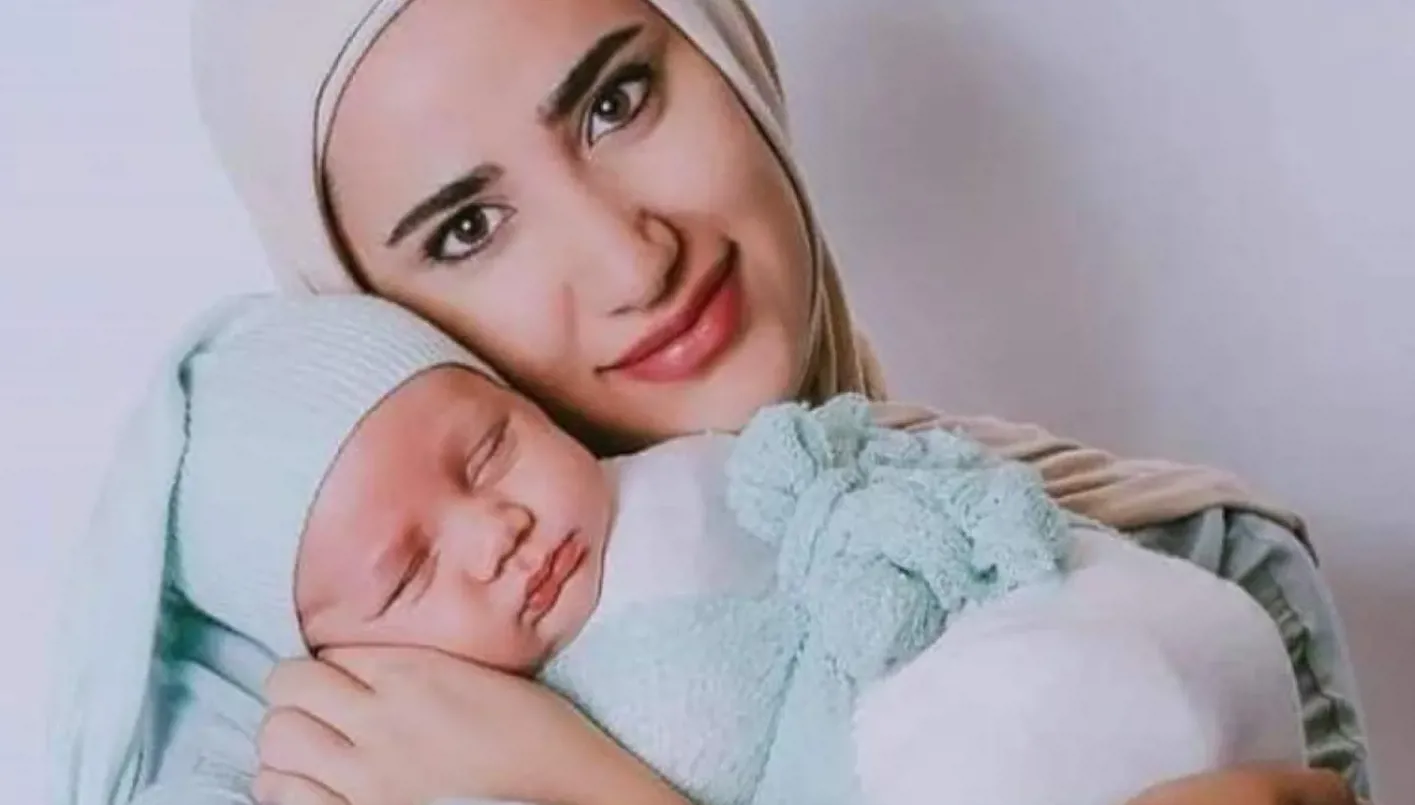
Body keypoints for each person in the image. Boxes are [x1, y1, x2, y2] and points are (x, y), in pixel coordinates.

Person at [72, 0, 1375, 802]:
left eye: (615, 100)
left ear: (725, 48)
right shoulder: (299, 754)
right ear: (362, 312)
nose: (630, 261)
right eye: (467, 227)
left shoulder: (1186, 562)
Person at [54, 292, 1309, 805]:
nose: (494, 531)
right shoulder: (422, 761)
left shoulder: (740, 479)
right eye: (407, 573)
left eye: (488, 449)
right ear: (345, 665)